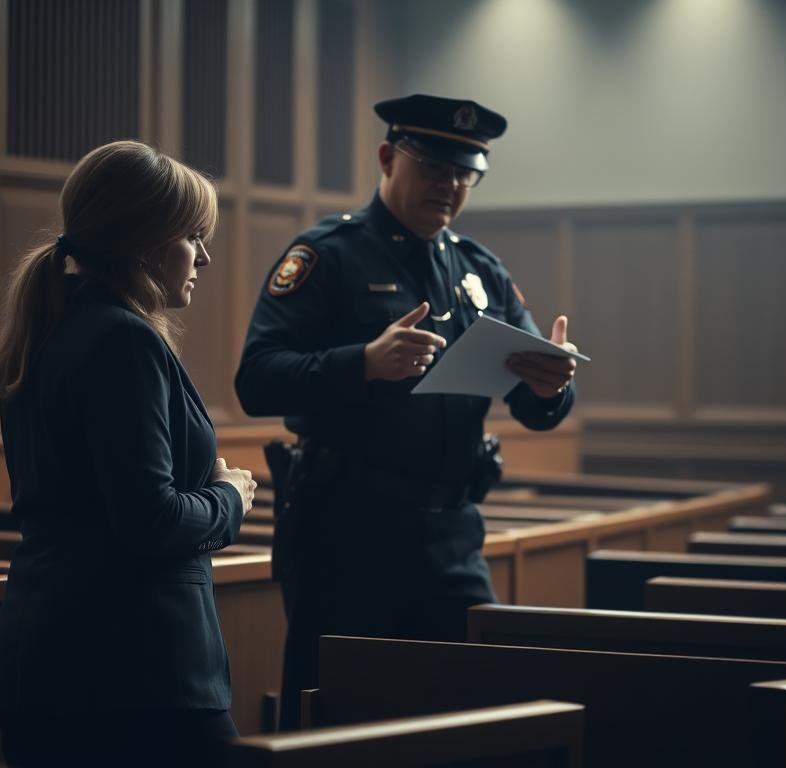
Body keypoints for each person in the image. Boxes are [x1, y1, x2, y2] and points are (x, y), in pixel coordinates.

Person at [235, 93, 579, 730]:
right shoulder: (328, 255)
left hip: (452, 534)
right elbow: (255, 381)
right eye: (433, 169)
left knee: (472, 718)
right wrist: (363, 361)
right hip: (347, 534)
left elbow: (538, 408)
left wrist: (553, 384)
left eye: (464, 174)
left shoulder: (480, 270)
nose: (449, 186)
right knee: (337, 721)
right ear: (388, 158)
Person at [0, 140, 256, 767]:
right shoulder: (123, 340)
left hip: (49, 659)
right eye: (193, 236)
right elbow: (150, 521)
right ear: (146, 242)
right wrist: (230, 497)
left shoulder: (52, 329)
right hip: (136, 673)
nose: (205, 256)